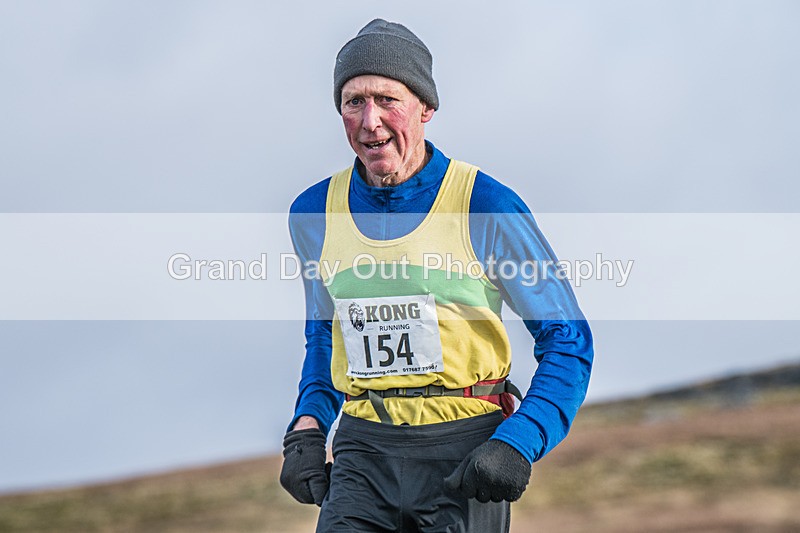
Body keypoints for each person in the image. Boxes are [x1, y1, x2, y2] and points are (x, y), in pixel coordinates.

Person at [279, 18, 593, 532]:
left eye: (387, 99)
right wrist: (308, 425)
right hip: (362, 453)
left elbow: (568, 339)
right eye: (353, 102)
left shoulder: (484, 205)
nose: (370, 120)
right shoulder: (313, 213)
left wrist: (519, 441)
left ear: (425, 108)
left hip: (464, 455)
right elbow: (326, 333)